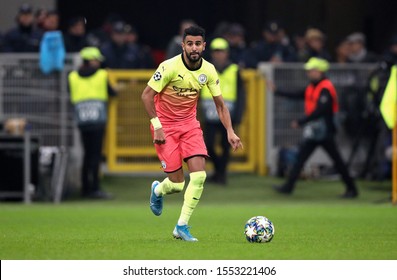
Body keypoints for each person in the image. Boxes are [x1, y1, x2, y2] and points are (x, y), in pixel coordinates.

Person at [141, 26, 243, 241]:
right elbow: (146, 96)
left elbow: (221, 106)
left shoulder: (209, 70)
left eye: (198, 44)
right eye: (190, 43)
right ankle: (158, 190)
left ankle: (181, 226)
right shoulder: (168, 67)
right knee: (177, 184)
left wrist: (230, 131)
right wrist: (157, 125)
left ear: (204, 46)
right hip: (165, 126)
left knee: (199, 176)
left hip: (190, 126)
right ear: (183, 45)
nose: (194, 47)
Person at [272, 57, 358, 198]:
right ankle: (288, 187)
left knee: (336, 161)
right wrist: (277, 91)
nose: (309, 73)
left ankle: (352, 189)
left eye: (311, 70)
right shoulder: (313, 86)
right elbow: (298, 94)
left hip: (325, 132)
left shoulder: (325, 88)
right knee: (301, 158)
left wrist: (301, 121)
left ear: (320, 71)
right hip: (315, 131)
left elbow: (321, 110)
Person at [68, 47, 116, 199]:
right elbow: (112, 93)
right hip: (98, 121)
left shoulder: (73, 76)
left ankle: (85, 189)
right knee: (95, 156)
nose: (99, 63)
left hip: (82, 121)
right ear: (91, 60)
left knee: (86, 155)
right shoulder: (102, 75)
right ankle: (95, 189)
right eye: (97, 60)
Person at [200, 38, 245, 185]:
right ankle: (219, 171)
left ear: (227, 53)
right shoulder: (205, 69)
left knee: (227, 147)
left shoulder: (235, 70)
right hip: (209, 113)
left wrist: (238, 115)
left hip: (228, 115)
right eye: (216, 51)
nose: (219, 54)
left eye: (221, 51)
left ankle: (221, 175)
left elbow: (241, 94)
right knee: (208, 145)